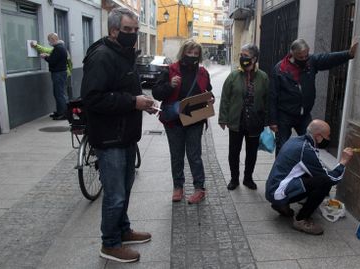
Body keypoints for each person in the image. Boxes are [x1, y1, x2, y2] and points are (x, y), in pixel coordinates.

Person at [81, 8, 156, 263]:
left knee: (124, 188)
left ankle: (122, 230)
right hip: (109, 138)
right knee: (114, 194)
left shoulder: (123, 54)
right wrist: (132, 102)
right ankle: (110, 243)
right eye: (128, 30)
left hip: (125, 135)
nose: (133, 34)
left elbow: (125, 90)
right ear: (113, 31)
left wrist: (142, 101)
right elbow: (92, 99)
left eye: (136, 30)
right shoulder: (102, 57)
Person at [269, 39, 358, 155]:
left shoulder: (311, 62)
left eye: (306, 55)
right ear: (292, 54)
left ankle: (306, 169)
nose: (304, 59)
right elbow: (273, 95)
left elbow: (328, 59)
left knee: (310, 144)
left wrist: (348, 54)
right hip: (285, 114)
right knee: (283, 147)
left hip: (304, 114)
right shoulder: (280, 69)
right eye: (300, 57)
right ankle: (282, 172)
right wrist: (273, 121)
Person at [265, 119, 354, 235]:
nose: (329, 139)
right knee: (324, 182)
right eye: (328, 136)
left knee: (314, 175)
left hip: (272, 189)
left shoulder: (296, 140)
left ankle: (282, 205)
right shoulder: (305, 149)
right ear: (318, 137)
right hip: (278, 192)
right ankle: (301, 219)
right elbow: (331, 179)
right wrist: (343, 162)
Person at [152, 39, 213, 204]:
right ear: (183, 53)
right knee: (176, 155)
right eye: (189, 52)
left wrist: (210, 100)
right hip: (174, 121)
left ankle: (199, 188)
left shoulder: (203, 73)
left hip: (195, 120)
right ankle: (178, 187)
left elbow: (209, 92)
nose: (192, 56)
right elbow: (157, 93)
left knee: (194, 155)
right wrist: (170, 86)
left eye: (195, 53)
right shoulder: (171, 70)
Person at [219, 44, 269, 190]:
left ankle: (248, 178)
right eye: (241, 55)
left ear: (254, 59)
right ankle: (234, 179)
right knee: (234, 152)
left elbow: (267, 100)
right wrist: (223, 118)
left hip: (254, 122)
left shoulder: (263, 77)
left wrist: (267, 121)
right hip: (236, 121)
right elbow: (225, 98)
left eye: (245, 55)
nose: (242, 58)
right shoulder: (233, 76)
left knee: (252, 153)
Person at [31, 39, 74, 118]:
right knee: (59, 93)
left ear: (53, 41)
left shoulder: (58, 49)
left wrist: (45, 57)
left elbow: (52, 60)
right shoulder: (62, 48)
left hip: (59, 73)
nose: (49, 43)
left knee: (59, 94)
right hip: (63, 72)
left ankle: (63, 113)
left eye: (49, 40)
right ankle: (61, 111)